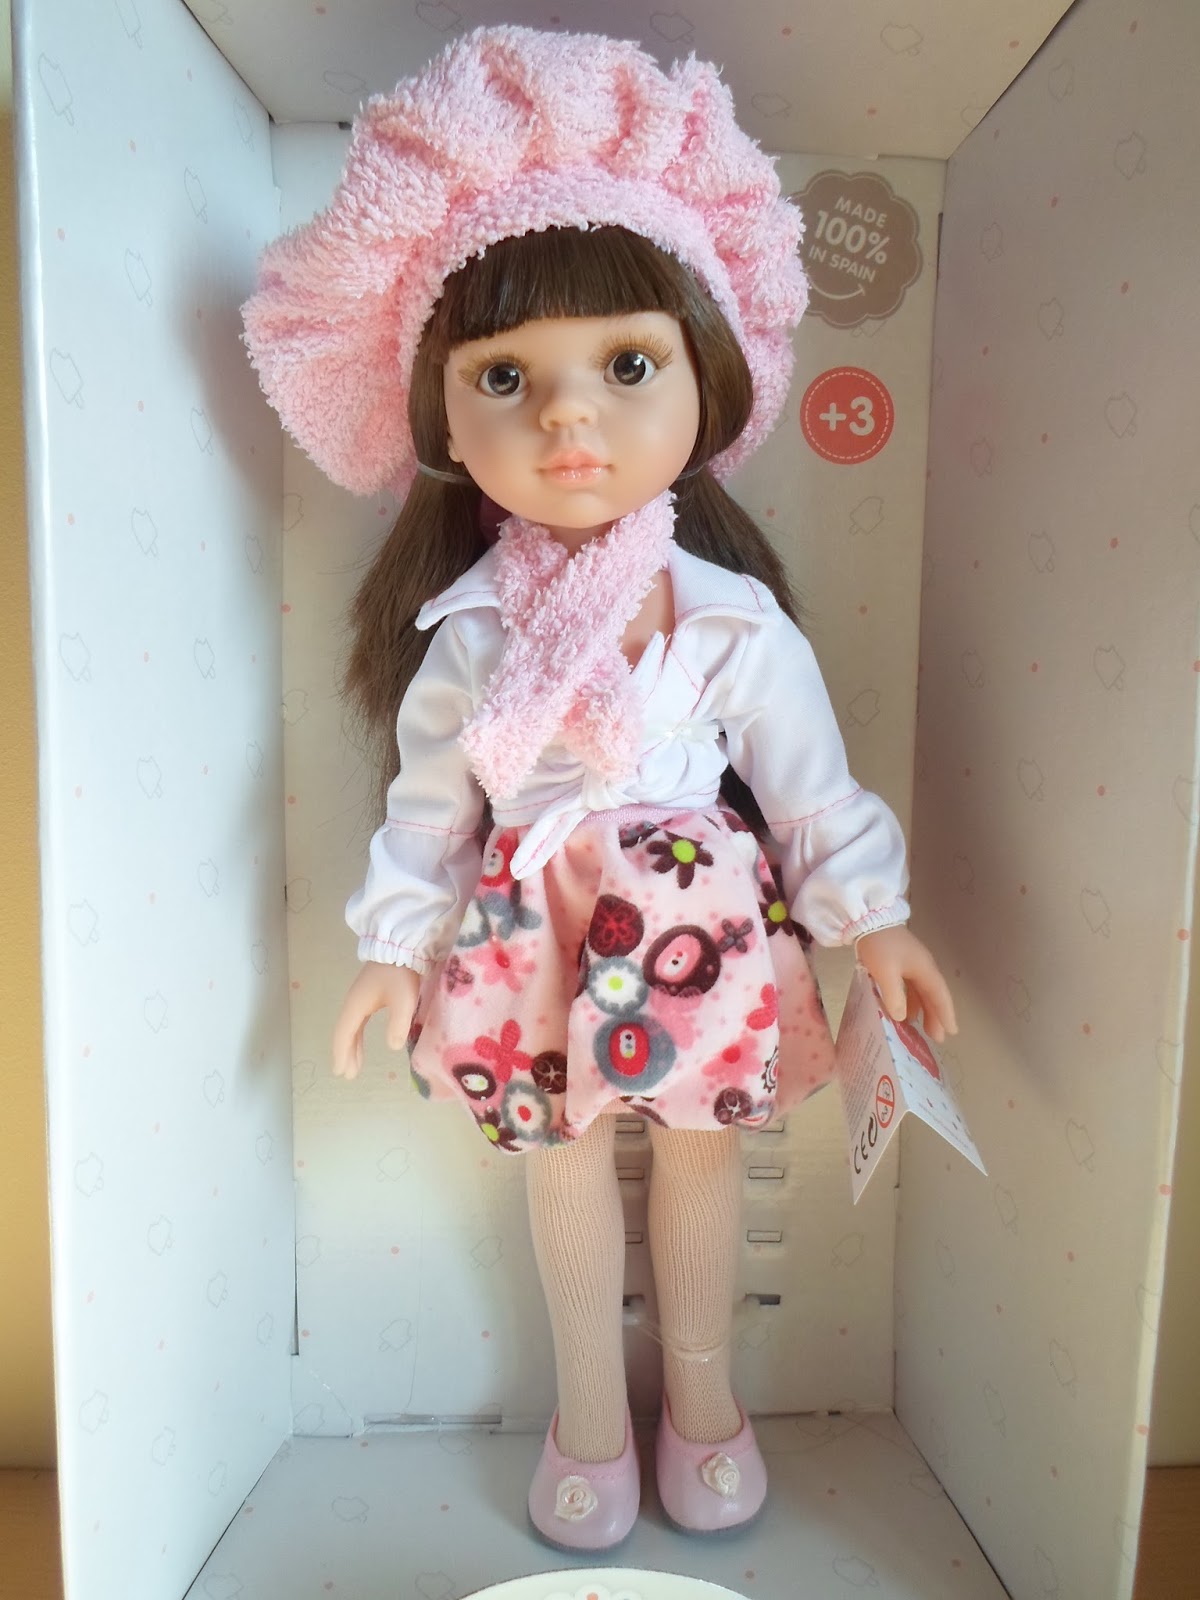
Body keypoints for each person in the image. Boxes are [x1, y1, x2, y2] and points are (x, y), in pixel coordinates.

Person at [243, 23, 956, 1552]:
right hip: (531, 925)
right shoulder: (472, 631)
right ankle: (586, 1412)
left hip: (705, 923)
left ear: (709, 378)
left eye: (627, 366)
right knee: (558, 1158)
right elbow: (430, 810)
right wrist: (391, 948)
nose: (569, 418)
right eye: (505, 378)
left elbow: (807, 788)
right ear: (442, 419)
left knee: (702, 1153)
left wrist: (873, 922)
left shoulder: (729, 620)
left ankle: (703, 1400)